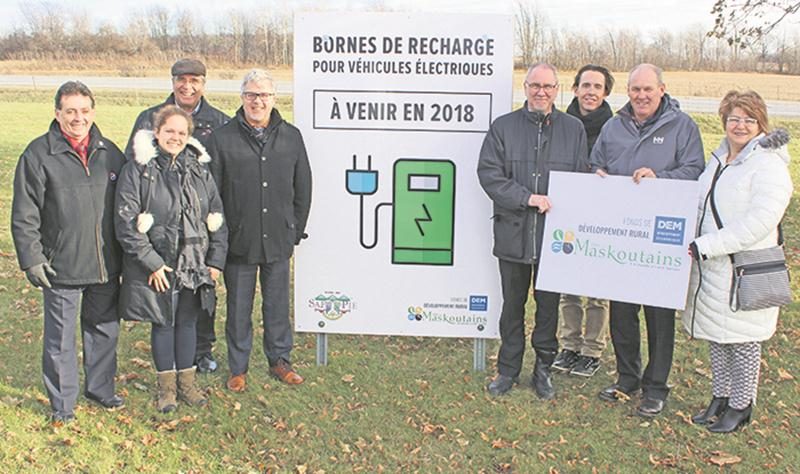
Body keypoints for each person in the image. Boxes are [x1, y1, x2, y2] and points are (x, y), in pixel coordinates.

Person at [591, 63, 705, 417]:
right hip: (623, 238)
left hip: (660, 238)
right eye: (635, 90)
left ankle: (656, 386)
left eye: (648, 90)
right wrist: (596, 174)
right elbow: (594, 163)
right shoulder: (613, 126)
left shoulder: (681, 126)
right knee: (622, 313)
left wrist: (660, 177)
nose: (641, 96)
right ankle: (627, 378)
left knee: (658, 315)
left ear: (662, 89)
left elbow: (694, 170)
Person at [11, 81, 126, 424]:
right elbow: (24, 213)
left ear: (93, 112)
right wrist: (32, 257)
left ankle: (101, 388)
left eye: (85, 111)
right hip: (61, 265)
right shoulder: (38, 155)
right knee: (60, 338)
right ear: (57, 113)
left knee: (104, 330)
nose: (79, 118)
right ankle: (63, 403)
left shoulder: (110, 152)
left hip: (105, 263)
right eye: (71, 111)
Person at [681, 91, 792, 433]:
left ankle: (741, 405)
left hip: (743, 268)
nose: (740, 125)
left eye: (748, 119)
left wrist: (708, 245)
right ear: (724, 121)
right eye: (734, 118)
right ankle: (721, 396)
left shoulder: (768, 165)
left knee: (743, 341)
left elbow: (759, 222)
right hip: (713, 266)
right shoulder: (720, 158)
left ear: (760, 124)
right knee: (718, 336)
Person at [477, 63, 588, 399]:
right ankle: (508, 370)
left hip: (554, 240)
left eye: (548, 86)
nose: (541, 92)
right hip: (513, 234)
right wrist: (526, 198)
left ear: (558, 90)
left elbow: (581, 178)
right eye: (535, 85)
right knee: (512, 307)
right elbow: (489, 174)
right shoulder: (503, 127)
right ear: (524, 87)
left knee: (547, 309)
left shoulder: (574, 129)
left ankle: (543, 369)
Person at [115, 106, 228, 413]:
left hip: (194, 262)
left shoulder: (199, 170)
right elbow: (126, 224)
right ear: (157, 132)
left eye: (181, 132)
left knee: (189, 323)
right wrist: (151, 262)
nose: (175, 138)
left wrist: (215, 261)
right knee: (164, 323)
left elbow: (216, 215)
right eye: (169, 131)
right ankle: (166, 389)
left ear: (188, 135)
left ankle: (187, 384)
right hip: (159, 266)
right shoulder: (139, 170)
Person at [207, 69, 312, 393]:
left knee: (277, 304)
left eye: (264, 95)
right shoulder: (222, 138)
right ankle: (238, 368)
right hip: (240, 240)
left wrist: (294, 229)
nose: (257, 101)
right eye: (251, 95)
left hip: (279, 238)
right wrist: (219, 240)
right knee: (238, 308)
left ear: (273, 99)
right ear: (242, 98)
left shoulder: (291, 136)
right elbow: (213, 195)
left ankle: (280, 360)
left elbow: (303, 187)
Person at [126, 58, 230, 374]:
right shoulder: (148, 118)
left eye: (195, 80)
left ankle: (202, 350)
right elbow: (134, 168)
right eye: (181, 79)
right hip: (162, 223)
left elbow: (220, 175)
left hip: (200, 220)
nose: (188, 86)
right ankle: (169, 370)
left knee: (199, 296)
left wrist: (215, 235)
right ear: (172, 81)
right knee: (166, 302)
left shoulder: (219, 122)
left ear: (204, 83)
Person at [552, 65, 615, 378]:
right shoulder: (559, 123)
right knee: (569, 286)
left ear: (605, 93)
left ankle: (591, 350)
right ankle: (569, 345)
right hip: (568, 213)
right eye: (585, 85)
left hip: (602, 215)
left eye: (598, 87)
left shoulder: (615, 128)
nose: (591, 92)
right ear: (575, 89)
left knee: (597, 288)